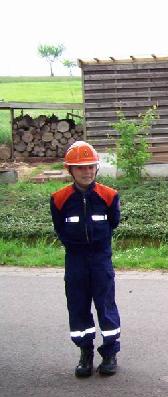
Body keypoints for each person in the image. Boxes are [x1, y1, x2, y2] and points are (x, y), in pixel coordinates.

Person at [50, 141, 121, 378]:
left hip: (101, 259)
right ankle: (85, 352)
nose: (87, 172)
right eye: (81, 167)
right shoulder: (59, 199)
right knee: (78, 307)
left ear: (96, 168)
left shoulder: (109, 196)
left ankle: (110, 354)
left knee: (106, 306)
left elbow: (113, 222)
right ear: (70, 170)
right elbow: (60, 228)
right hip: (75, 260)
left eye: (91, 166)